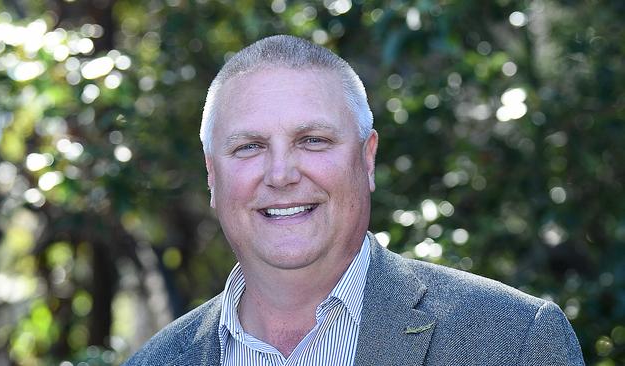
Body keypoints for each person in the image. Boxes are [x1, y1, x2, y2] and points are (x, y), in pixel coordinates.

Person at [124, 35, 584, 366]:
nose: (281, 174)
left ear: (367, 160)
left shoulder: (513, 342)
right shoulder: (157, 361)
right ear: (212, 174)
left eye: (313, 140)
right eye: (249, 146)